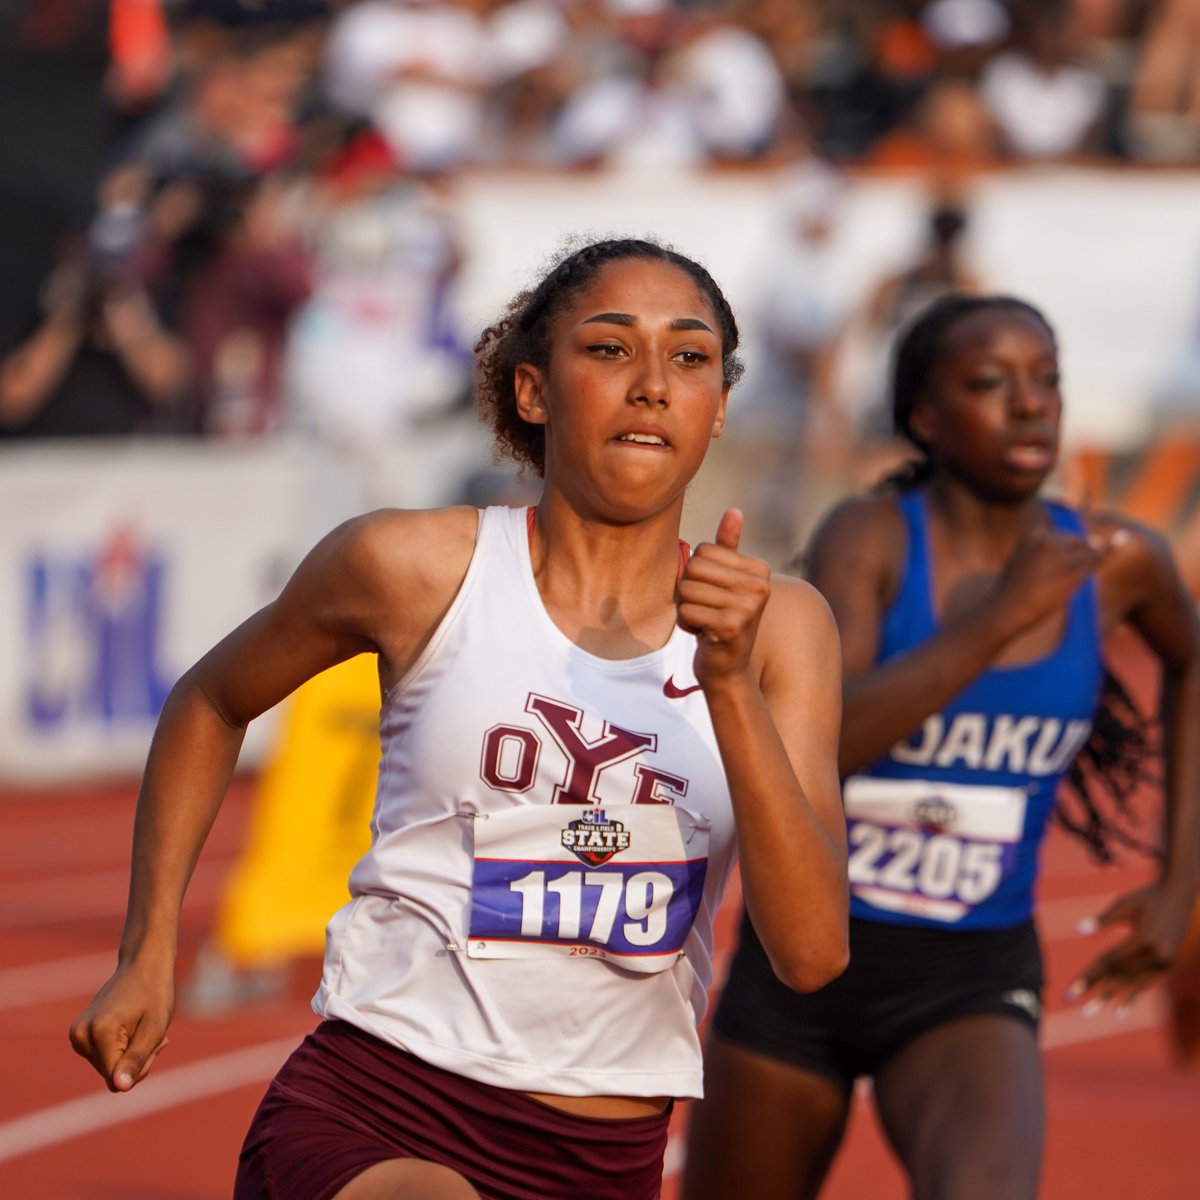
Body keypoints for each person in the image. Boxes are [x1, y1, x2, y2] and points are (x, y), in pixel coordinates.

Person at [69, 236, 849, 1200]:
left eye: (689, 358)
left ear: (720, 405)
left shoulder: (782, 629)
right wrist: (146, 952)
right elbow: (210, 699)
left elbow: (811, 955)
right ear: (533, 391)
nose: (652, 383)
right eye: (609, 349)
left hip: (604, 1160)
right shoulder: (411, 567)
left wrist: (726, 682)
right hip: (381, 1111)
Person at [683, 292, 1200, 1200]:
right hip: (805, 967)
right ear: (926, 415)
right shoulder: (870, 536)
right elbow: (825, 745)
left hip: (971, 979)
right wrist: (1002, 620)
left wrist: (1180, 887)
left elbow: (1192, 669)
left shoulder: (1117, 561)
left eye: (1047, 380)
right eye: (991, 383)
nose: (1032, 403)